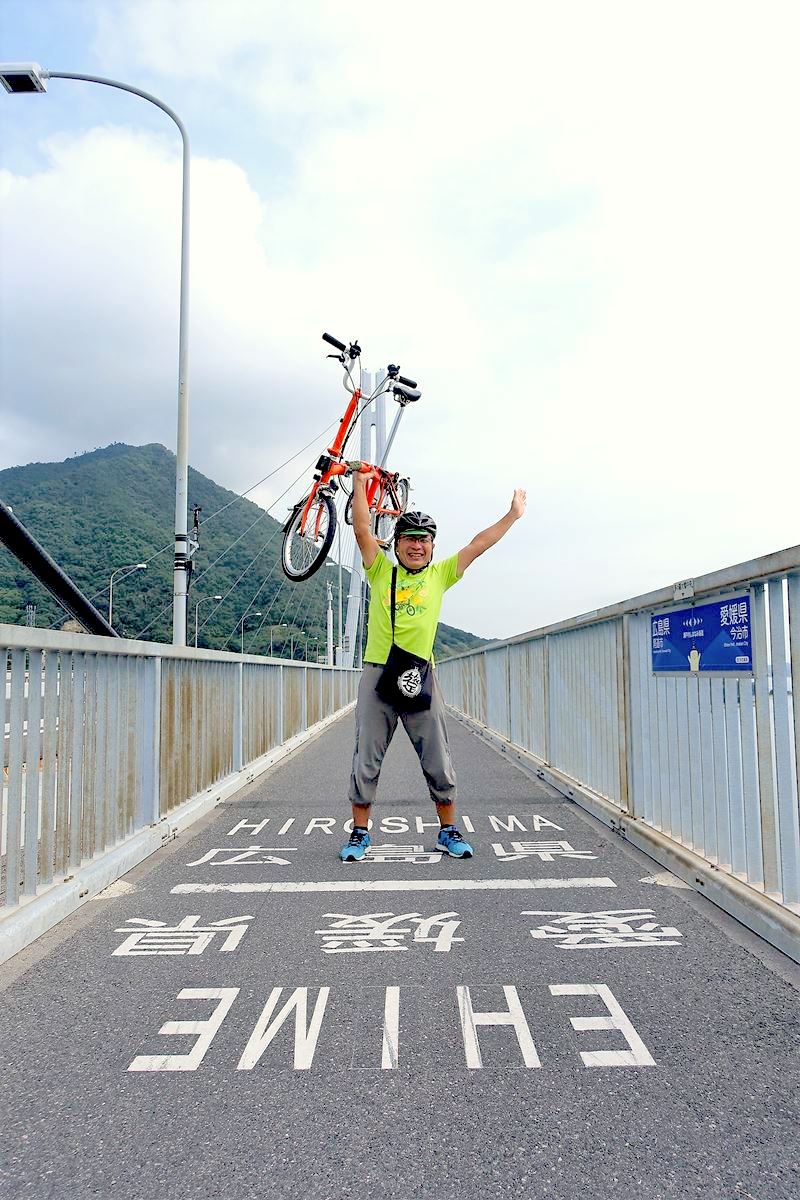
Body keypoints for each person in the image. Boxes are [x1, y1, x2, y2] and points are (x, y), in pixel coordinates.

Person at [340, 470, 527, 862]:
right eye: (409, 539)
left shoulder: (440, 575)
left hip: (421, 674)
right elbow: (361, 531)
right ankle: (359, 833)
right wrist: (358, 482)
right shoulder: (381, 572)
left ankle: (448, 829)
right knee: (367, 756)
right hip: (378, 673)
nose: (416, 546)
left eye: (423, 541)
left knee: (437, 756)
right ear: (397, 543)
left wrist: (511, 516)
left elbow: (478, 545)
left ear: (431, 546)